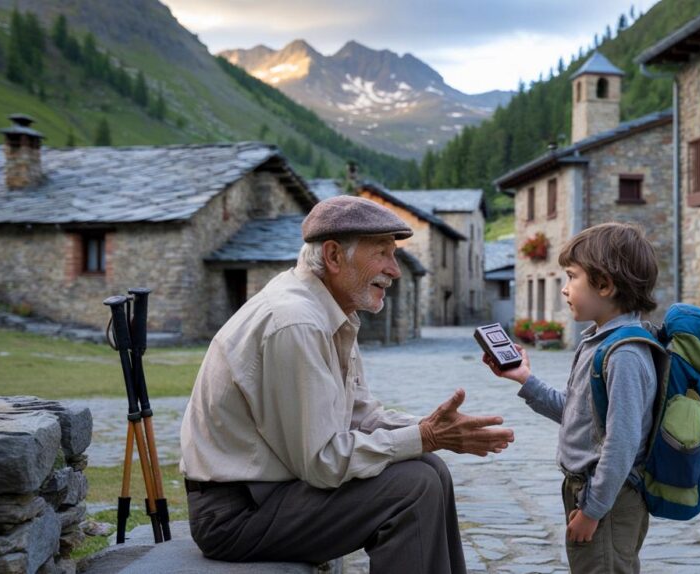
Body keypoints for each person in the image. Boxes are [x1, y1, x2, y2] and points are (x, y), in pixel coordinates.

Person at [180, 196, 514, 574]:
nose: (395, 270)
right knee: (413, 487)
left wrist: (431, 430)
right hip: (235, 514)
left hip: (271, 494)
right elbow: (322, 461)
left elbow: (360, 416)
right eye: (382, 253)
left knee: (430, 467)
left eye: (393, 254)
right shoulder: (296, 322)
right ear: (334, 256)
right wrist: (425, 436)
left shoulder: (329, 312)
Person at [483, 222, 659, 573]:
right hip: (590, 490)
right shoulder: (598, 341)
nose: (564, 289)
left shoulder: (624, 355)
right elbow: (578, 413)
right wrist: (525, 379)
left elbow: (622, 444)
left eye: (571, 277)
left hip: (609, 497)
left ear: (604, 285)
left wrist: (593, 510)